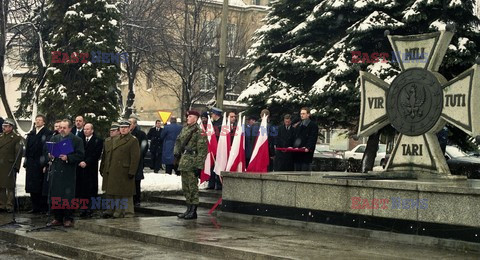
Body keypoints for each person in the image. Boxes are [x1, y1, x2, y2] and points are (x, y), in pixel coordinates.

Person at [47, 119, 84, 227]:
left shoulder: (76, 140)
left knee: (67, 195)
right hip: (56, 170)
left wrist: (68, 157)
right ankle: (57, 217)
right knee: (56, 194)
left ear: (70, 128)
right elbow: (48, 151)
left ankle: (68, 218)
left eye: (64, 128)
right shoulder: (55, 138)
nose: (61, 130)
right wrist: (50, 155)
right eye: (60, 128)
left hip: (68, 171)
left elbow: (80, 155)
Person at [102, 120, 140, 218]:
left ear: (129, 128)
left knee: (126, 193)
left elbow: (135, 158)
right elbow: (110, 155)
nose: (123, 129)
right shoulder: (116, 139)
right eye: (121, 127)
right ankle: (118, 211)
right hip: (115, 170)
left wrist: (132, 171)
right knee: (116, 192)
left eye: (125, 127)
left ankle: (128, 213)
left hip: (125, 170)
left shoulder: (133, 140)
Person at [175, 110, 207, 220]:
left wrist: (199, 166)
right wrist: (176, 154)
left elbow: (202, 151)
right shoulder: (185, 129)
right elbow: (178, 141)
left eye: (190, 116)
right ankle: (188, 208)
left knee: (192, 187)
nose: (188, 118)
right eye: (188, 116)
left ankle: (193, 211)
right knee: (185, 187)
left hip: (193, 162)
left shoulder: (199, 131)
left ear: (196, 118)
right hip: (184, 161)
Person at [24, 114, 52, 214]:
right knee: (32, 185)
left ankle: (42, 207)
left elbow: (46, 149)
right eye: (36, 120)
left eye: (40, 120)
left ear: (44, 122)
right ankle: (35, 206)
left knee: (40, 186)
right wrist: (26, 161)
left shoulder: (47, 133)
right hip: (31, 162)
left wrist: (45, 163)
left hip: (40, 162)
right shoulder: (31, 133)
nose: (37, 122)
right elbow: (27, 148)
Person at [76, 123, 103, 218]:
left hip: (91, 168)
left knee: (90, 189)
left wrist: (86, 162)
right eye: (84, 129)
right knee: (82, 189)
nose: (85, 131)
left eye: (87, 129)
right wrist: (79, 161)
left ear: (92, 130)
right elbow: (77, 151)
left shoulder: (98, 140)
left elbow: (96, 154)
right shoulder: (80, 140)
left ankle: (90, 209)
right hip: (80, 168)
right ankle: (83, 209)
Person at [0, 119, 23, 213]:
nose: (4, 128)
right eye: (3, 126)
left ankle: (10, 205)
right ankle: (2, 204)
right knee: (1, 186)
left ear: (11, 127)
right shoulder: (1, 137)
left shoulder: (16, 138)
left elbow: (18, 154)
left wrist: (16, 166)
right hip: (1, 164)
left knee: (10, 186)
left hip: (10, 165)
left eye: (5, 126)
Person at [129, 117, 148, 206]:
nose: (129, 125)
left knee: (136, 181)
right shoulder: (125, 133)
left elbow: (144, 147)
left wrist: (138, 156)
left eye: (131, 123)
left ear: (135, 124)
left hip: (137, 161)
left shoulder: (141, 134)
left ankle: (137, 200)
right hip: (127, 162)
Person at [100, 123, 120, 195]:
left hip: (116, 169)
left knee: (116, 189)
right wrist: (102, 167)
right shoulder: (107, 141)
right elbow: (104, 156)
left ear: (118, 131)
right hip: (107, 168)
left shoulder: (121, 141)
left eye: (114, 130)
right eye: (110, 130)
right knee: (107, 190)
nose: (111, 132)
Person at [207, 107, 223, 190]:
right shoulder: (214, 123)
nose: (211, 115)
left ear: (216, 114)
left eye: (212, 114)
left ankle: (218, 184)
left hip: (219, 148)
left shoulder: (221, 124)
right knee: (212, 166)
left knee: (218, 166)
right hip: (213, 148)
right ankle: (211, 183)